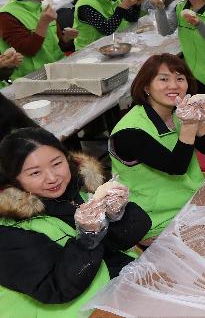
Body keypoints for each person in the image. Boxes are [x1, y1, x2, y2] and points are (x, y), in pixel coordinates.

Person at [0, 127, 151, 315]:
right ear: (14, 180)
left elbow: (134, 234)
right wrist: (88, 238)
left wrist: (117, 214)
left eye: (56, 163)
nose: (52, 178)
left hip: (117, 279)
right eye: (35, 173)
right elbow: (56, 288)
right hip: (81, 308)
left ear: (67, 157)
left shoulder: (80, 186)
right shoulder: (10, 233)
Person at [109, 54, 205, 239]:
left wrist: (199, 121)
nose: (174, 85)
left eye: (180, 78)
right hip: (155, 220)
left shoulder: (178, 112)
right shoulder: (129, 132)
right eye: (163, 79)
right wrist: (190, 125)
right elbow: (176, 167)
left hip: (191, 203)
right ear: (146, 87)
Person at [0, 0, 79, 81]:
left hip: (57, 70)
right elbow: (29, 50)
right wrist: (43, 23)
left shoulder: (42, 6)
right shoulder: (6, 16)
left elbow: (57, 46)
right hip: (32, 80)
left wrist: (65, 38)